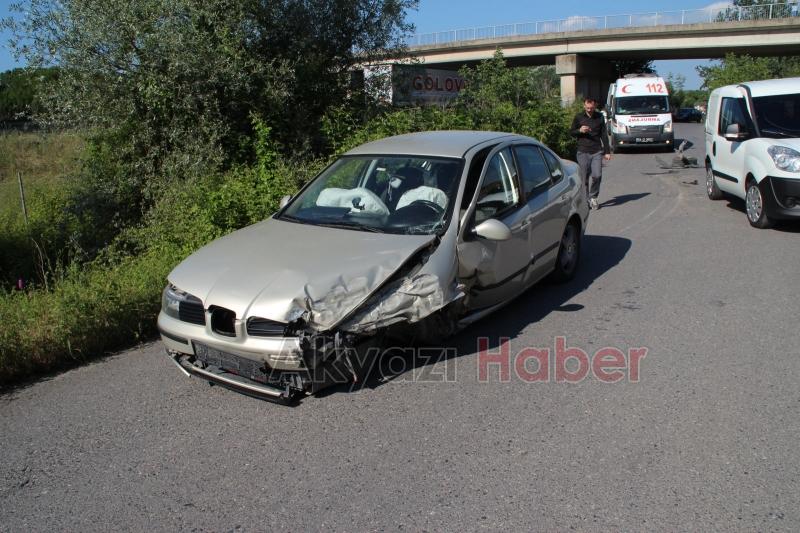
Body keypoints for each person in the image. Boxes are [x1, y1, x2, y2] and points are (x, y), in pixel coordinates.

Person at [570, 96, 612, 210]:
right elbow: (571, 132)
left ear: (595, 106)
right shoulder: (578, 117)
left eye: (591, 108)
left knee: (597, 175)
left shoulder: (599, 117)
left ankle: (593, 197)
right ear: (584, 106)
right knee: (584, 179)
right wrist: (579, 130)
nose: (589, 110)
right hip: (582, 151)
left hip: (596, 151)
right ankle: (586, 199)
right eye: (587, 107)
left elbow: (604, 134)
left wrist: (607, 152)